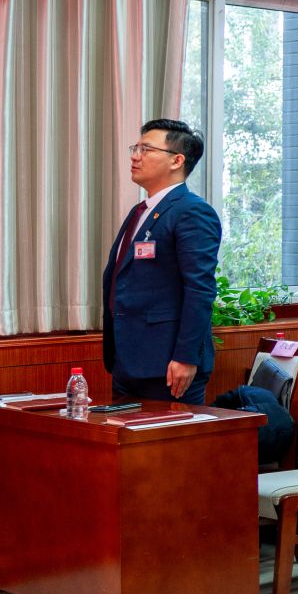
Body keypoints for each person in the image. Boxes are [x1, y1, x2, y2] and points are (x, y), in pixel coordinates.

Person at [102, 119, 220, 405]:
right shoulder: (140, 211)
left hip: (169, 365)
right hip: (128, 360)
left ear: (177, 160)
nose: (135, 156)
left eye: (146, 149)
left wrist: (186, 357)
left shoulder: (192, 211)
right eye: (135, 148)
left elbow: (200, 289)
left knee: (171, 436)